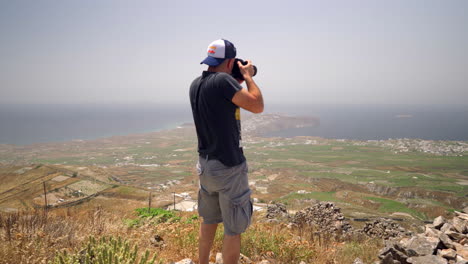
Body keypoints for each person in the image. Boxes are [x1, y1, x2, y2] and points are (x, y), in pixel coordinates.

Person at [189, 39, 264, 264]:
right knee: (233, 228)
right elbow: (257, 105)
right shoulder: (223, 82)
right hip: (228, 167)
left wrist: (236, 79)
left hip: (206, 165)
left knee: (209, 220)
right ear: (231, 61)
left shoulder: (196, 83)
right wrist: (248, 76)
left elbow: (221, 100)